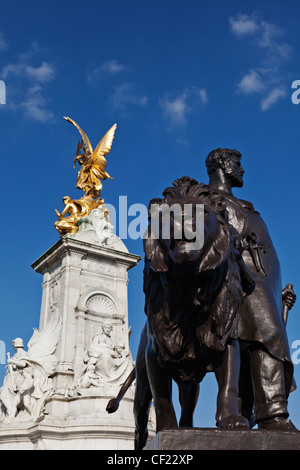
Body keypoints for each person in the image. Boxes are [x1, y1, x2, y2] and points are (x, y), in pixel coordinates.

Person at [204, 147, 297, 431]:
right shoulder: (209, 203)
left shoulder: (242, 204)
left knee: (257, 343)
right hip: (242, 282)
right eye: (236, 163)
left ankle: (245, 413)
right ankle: (272, 415)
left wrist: (275, 292)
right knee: (265, 338)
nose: (242, 169)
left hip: (264, 285)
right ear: (222, 164)